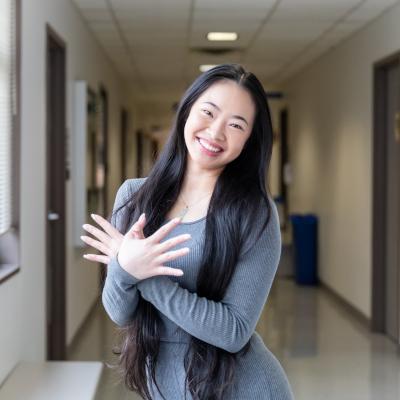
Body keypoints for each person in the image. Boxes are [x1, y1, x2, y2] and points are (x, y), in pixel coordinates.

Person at [81, 63, 294, 400]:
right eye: (208, 112)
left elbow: (235, 332)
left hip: (242, 388)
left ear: (249, 141)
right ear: (186, 110)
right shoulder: (135, 197)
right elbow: (120, 311)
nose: (216, 132)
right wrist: (123, 270)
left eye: (236, 125)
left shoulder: (255, 212)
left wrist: (141, 273)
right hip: (163, 384)